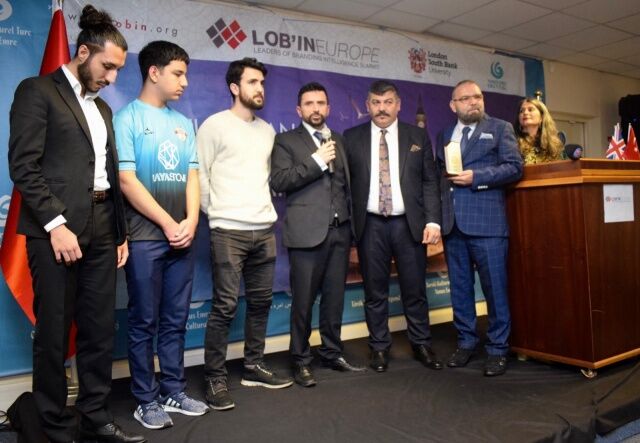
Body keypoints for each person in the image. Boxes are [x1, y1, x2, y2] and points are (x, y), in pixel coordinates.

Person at [7, 5, 145, 443]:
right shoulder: (37, 91)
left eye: (118, 69)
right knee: (53, 332)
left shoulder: (102, 109)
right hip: (56, 232)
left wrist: (120, 233)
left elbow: (107, 173)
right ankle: (52, 425)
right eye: (107, 66)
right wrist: (56, 224)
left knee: (99, 329)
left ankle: (95, 418)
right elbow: (23, 166)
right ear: (83, 52)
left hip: (104, 227)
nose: (112, 77)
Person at [114, 40, 209, 430]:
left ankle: (173, 390)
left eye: (186, 74)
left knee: (175, 319)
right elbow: (126, 179)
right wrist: (168, 224)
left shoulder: (182, 122)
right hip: (144, 238)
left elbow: (192, 176)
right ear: (154, 72)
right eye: (178, 73)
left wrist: (191, 220)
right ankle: (145, 398)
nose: (184, 82)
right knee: (143, 322)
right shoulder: (126, 119)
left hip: (182, 238)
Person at [197, 57, 293, 411]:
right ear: (234, 87)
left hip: (264, 230)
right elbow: (200, 176)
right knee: (224, 305)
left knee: (261, 302)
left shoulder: (267, 131)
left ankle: (253, 366)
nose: (260, 88)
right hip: (228, 232)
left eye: (262, 83)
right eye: (253, 82)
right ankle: (215, 376)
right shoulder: (214, 126)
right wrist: (218, 213)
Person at [344, 80, 443, 373]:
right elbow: (345, 185)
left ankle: (421, 344)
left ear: (398, 105)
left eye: (388, 102)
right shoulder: (351, 137)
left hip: (408, 225)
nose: (382, 108)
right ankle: (379, 347)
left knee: (415, 290)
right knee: (375, 292)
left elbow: (429, 181)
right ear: (368, 105)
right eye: (376, 102)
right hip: (370, 225)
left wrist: (432, 220)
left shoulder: (417, 136)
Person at [271, 82, 365, 387]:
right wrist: (317, 160)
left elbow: (346, 186)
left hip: (340, 231)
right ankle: (300, 360)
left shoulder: (339, 139)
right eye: (309, 104)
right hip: (306, 235)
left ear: (328, 108)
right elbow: (280, 180)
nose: (315, 108)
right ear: (299, 110)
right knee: (303, 302)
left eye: (320, 103)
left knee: (334, 299)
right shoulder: (285, 141)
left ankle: (332, 352)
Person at [435, 80, 523, 377]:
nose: (473, 102)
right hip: (453, 225)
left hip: (487, 225)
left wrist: (477, 176)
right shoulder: (445, 134)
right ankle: (466, 342)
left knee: (495, 290)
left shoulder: (500, 128)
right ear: (453, 105)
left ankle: (497, 349)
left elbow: (514, 167)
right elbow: (440, 177)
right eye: (465, 98)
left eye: (477, 97)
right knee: (460, 290)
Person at [514, 97, 565, 164]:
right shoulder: (513, 141)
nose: (525, 113)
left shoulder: (554, 142)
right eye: (521, 111)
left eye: (530, 110)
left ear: (542, 117)